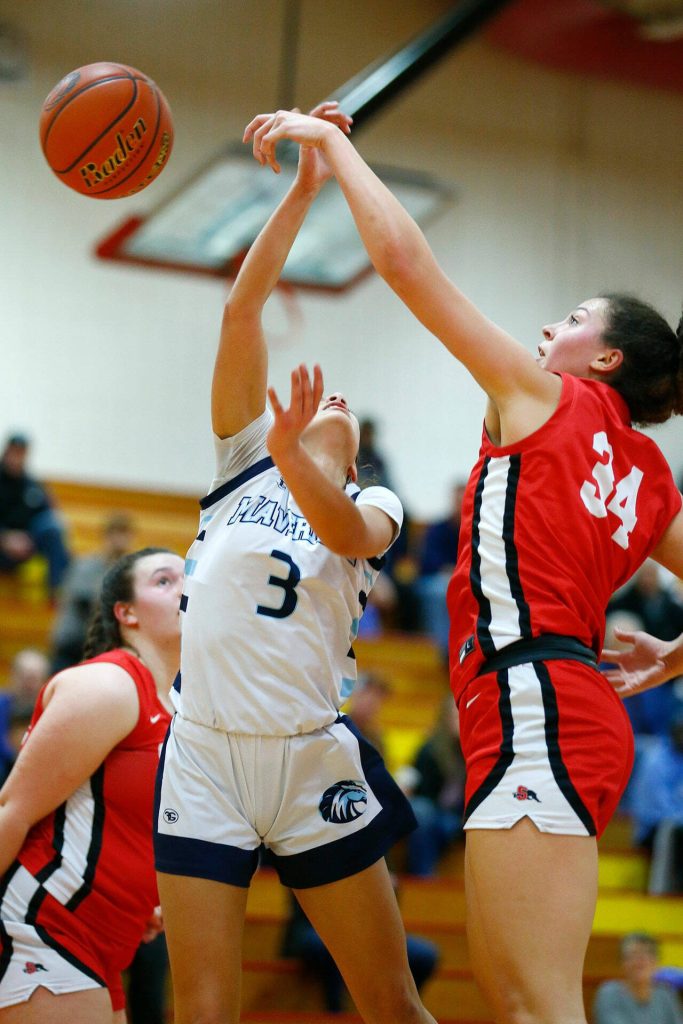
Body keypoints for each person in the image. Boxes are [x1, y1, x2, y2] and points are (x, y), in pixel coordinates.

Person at [244, 108, 683, 1024]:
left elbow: (407, 267)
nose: (543, 327)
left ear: (601, 358)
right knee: (512, 998)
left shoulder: (545, 396)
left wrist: (336, 149)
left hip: (539, 702)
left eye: (569, 319)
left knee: (533, 1006)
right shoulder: (649, 476)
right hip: (539, 705)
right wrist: (674, 658)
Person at [154, 102, 436, 1024]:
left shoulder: (373, 504)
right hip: (201, 754)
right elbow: (243, 306)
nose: (336, 394)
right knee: (201, 1005)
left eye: (348, 405)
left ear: (356, 456)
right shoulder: (241, 462)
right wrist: (306, 188)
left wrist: (291, 458)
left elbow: (348, 539)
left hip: (312, 758)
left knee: (388, 1000)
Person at [0, 546, 183, 1023]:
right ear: (126, 613)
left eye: (191, 577)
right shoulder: (110, 685)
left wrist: (144, 896)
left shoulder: (187, 710)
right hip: (43, 926)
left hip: (106, 944)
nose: (187, 589)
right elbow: (12, 810)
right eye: (164, 581)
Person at [280, 887, 440, 1014]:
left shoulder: (373, 849)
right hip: (313, 927)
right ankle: (335, 1011)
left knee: (424, 954)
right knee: (339, 943)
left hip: (365, 926)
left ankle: (403, 1007)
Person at [50, 512, 134, 672]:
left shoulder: (129, 572)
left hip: (103, 645)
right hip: (73, 643)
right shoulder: (86, 566)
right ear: (106, 536)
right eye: (116, 533)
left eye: (125, 534)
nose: (120, 540)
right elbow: (84, 603)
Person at [0, 433, 71, 595]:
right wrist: (5, 538)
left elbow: (48, 513)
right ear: (6, 452)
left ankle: (57, 591)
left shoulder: (32, 485)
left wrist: (25, 540)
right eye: (14, 452)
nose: (16, 458)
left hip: (26, 545)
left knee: (53, 527)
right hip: (2, 546)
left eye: (21, 453)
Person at [404, 697, 466, 878]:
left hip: (453, 817)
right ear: (445, 719)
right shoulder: (429, 748)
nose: (460, 721)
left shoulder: (469, 752)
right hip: (429, 811)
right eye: (456, 717)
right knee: (422, 811)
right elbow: (411, 783)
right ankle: (423, 876)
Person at [415, 481, 466, 660]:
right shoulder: (437, 529)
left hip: (463, 581)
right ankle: (444, 650)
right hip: (435, 581)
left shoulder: (479, 531)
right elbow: (427, 563)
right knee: (441, 591)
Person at [592, 932, 683, 1023]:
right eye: (633, 954)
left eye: (647, 954)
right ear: (622, 962)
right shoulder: (609, 993)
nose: (641, 960)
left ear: (656, 961)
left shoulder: (665, 994)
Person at [0, 648, 50, 784]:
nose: (29, 685)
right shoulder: (2, 703)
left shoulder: (50, 710)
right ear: (13, 675)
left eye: (34, 678)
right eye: (25, 677)